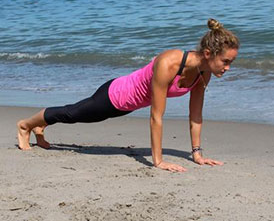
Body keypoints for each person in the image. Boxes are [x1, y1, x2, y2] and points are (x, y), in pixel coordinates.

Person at [17, 18, 239, 172]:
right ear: (208, 54)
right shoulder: (169, 63)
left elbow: (196, 116)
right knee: (73, 113)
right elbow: (156, 116)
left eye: (232, 62)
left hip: (130, 105)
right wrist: (158, 161)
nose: (228, 67)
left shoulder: (203, 73)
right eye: (226, 61)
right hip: (115, 95)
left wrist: (197, 155)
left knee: (75, 113)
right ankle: (26, 125)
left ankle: (41, 126)